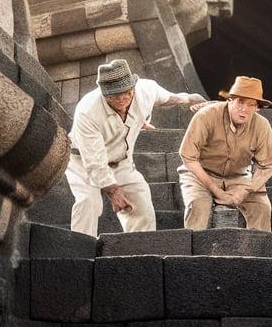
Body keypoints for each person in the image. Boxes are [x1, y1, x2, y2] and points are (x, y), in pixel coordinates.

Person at [65, 59, 208, 237]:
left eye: (127, 92)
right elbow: (95, 161)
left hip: (121, 161)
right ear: (104, 93)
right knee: (89, 202)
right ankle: (81, 251)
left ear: (133, 86)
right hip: (82, 162)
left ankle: (140, 252)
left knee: (142, 204)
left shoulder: (145, 90)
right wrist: (113, 190)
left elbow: (167, 97)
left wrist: (189, 99)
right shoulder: (87, 111)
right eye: (115, 95)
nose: (123, 98)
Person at [178, 76, 272, 231]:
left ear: (257, 107)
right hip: (200, 173)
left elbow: (267, 165)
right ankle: (193, 253)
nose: (244, 109)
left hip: (239, 177)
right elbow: (188, 156)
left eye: (251, 104)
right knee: (198, 205)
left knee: (262, 208)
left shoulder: (262, 126)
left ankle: (258, 252)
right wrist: (216, 191)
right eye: (240, 102)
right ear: (230, 100)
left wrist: (246, 190)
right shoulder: (206, 115)